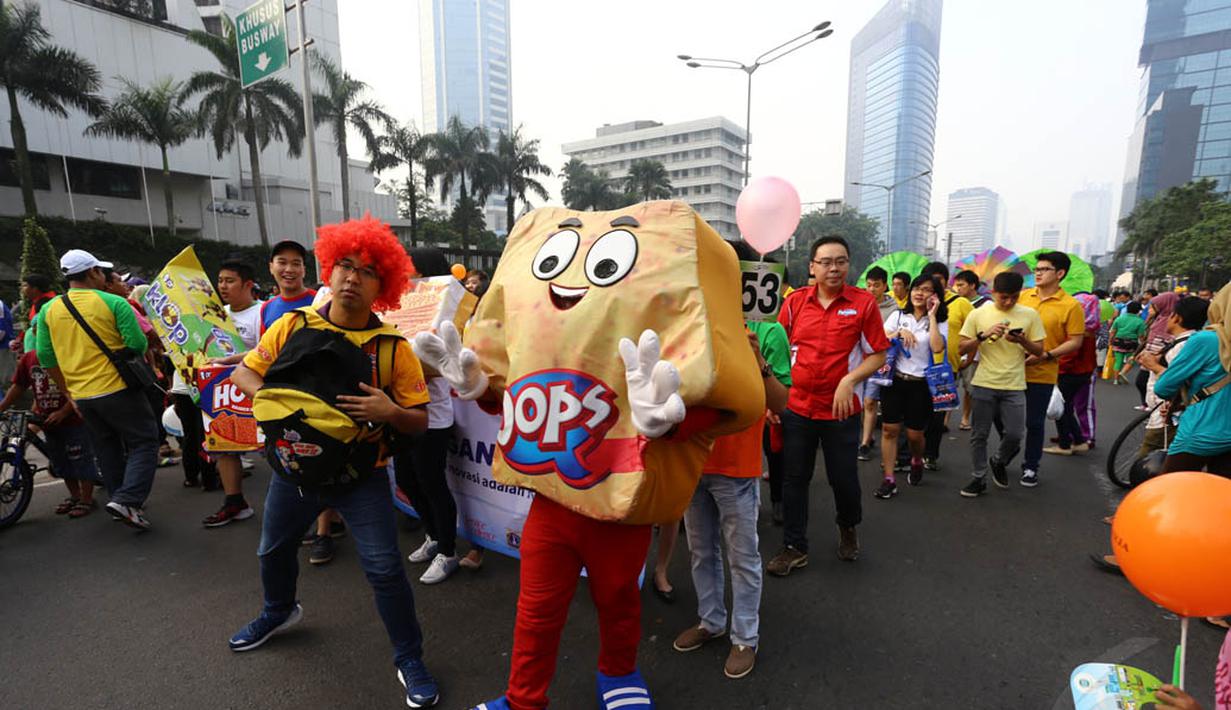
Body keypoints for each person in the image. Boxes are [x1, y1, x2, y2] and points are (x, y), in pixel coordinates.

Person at [226, 217, 440, 708]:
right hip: (292, 471)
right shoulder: (292, 325)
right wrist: (285, 409)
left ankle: (409, 657)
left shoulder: (393, 349)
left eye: (366, 271)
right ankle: (279, 610)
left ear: (381, 285)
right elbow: (244, 373)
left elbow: (421, 422)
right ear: (329, 269)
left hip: (362, 477)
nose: (351, 278)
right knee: (271, 551)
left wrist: (391, 412)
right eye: (344, 264)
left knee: (385, 570)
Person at [673, 243, 791, 679]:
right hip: (692, 459)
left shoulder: (769, 331)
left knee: (743, 556)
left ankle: (745, 636)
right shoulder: (689, 323)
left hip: (738, 468)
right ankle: (711, 620)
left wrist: (757, 360)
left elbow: (782, 401)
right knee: (700, 550)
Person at [767, 235, 889, 574]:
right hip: (796, 407)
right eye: (826, 262)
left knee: (844, 479)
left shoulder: (863, 304)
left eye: (841, 261)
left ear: (849, 264)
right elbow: (777, 351)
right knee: (794, 479)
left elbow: (878, 352)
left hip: (840, 412)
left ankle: (848, 527)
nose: (834, 268)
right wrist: (772, 399)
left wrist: (849, 381)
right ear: (812, 267)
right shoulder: (793, 304)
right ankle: (794, 546)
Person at [35, 250, 158, 530]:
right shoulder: (114, 302)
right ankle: (128, 499)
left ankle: (119, 500)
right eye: (101, 271)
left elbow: (45, 356)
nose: (103, 276)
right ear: (92, 273)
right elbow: (137, 345)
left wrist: (68, 392)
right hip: (118, 389)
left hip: (83, 397)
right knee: (145, 442)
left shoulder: (48, 310)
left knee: (107, 447)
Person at [396, 247, 464, 585]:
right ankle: (434, 536)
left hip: (432, 416)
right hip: (398, 412)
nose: (406, 277)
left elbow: (444, 367)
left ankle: (448, 552)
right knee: (407, 481)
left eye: (411, 270)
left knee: (432, 483)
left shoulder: (446, 309)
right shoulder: (399, 303)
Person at [0, 297, 100, 518]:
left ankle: (86, 498)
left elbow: (76, 389)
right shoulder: (29, 359)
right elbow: (18, 387)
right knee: (60, 461)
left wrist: (64, 411)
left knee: (80, 459)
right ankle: (74, 496)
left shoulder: (68, 355)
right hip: (47, 420)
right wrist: (3, 406)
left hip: (73, 420)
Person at [957, 272, 1046, 497]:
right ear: (993, 292)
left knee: (1015, 434)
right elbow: (960, 348)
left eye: (1014, 297)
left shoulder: (1029, 314)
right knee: (979, 434)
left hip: (1015, 384)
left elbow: (1039, 350)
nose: (1008, 302)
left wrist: (1022, 340)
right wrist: (983, 336)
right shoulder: (978, 313)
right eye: (1003, 297)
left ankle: (998, 460)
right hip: (984, 382)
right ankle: (979, 477)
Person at [201, 259, 264, 528]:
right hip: (224, 395)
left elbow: (268, 350)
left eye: (230, 281)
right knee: (224, 447)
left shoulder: (264, 312)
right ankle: (234, 501)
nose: (223, 286)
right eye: (220, 280)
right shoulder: (216, 314)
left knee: (277, 449)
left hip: (258, 391)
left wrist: (231, 362)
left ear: (248, 284)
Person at [874, 274, 947, 499]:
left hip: (921, 385)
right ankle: (888, 479)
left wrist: (933, 316)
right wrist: (898, 333)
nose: (919, 293)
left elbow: (937, 348)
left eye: (926, 290)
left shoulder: (940, 321)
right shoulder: (898, 315)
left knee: (915, 435)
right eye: (917, 288)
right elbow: (880, 338)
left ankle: (916, 460)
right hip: (894, 381)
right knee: (889, 430)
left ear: (935, 296)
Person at [1016, 251, 1085, 487]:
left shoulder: (1071, 305)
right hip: (1012, 368)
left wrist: (1046, 355)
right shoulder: (1023, 297)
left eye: (1044, 269)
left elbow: (1075, 341)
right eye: (1037, 269)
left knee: (1035, 423)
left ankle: (1030, 467)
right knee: (1004, 419)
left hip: (1043, 371)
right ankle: (1004, 455)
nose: (1038, 273)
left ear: (1060, 274)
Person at [1151, 283, 1231, 476]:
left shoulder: (1206, 340)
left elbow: (1163, 388)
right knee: (1221, 499)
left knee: (1171, 492)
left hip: (1200, 432)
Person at [1136, 296, 1208, 456]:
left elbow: (1179, 381)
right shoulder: (1186, 341)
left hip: (1167, 416)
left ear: (1176, 317)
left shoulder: (1183, 345)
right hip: (1168, 413)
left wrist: (1153, 365)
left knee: (1148, 461)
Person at [919, 261, 973, 471]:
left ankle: (930, 454)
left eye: (938, 281)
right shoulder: (915, 302)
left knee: (936, 416)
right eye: (927, 283)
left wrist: (969, 357)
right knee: (914, 415)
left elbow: (974, 331)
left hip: (945, 369)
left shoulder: (960, 303)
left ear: (945, 281)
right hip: (916, 369)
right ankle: (910, 453)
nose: (932, 286)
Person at [1043, 292, 1100, 456]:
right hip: (1084, 373)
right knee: (1067, 408)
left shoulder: (1077, 331)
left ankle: (1065, 444)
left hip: (1070, 373)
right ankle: (1078, 439)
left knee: (1060, 409)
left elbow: (1069, 355)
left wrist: (1054, 366)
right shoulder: (1089, 331)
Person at [858, 266, 899, 460]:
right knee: (860, 401)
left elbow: (891, 336)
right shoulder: (861, 303)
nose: (871, 289)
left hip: (881, 362)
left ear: (885, 286)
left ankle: (865, 442)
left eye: (876, 285)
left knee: (870, 401)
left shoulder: (894, 310)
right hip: (859, 360)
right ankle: (866, 435)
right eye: (869, 285)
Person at [952, 270, 986, 430]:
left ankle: (965, 417)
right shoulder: (953, 302)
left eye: (961, 285)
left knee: (969, 389)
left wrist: (971, 355)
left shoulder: (985, 305)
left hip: (974, 353)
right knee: (948, 386)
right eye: (956, 285)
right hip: (954, 352)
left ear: (972, 285)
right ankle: (945, 419)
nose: (957, 288)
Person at [18, 274, 57, 353]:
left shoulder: (44, 304)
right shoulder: (39, 302)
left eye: (25, 286)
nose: (22, 289)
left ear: (35, 289)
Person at [1110, 301, 1147, 383]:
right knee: (1131, 359)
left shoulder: (1119, 318)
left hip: (1118, 341)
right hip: (1131, 343)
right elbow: (1141, 335)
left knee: (1118, 361)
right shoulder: (1140, 321)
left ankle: (1115, 380)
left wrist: (1110, 341)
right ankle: (1122, 373)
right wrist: (1143, 343)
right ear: (1138, 311)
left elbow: (1113, 331)